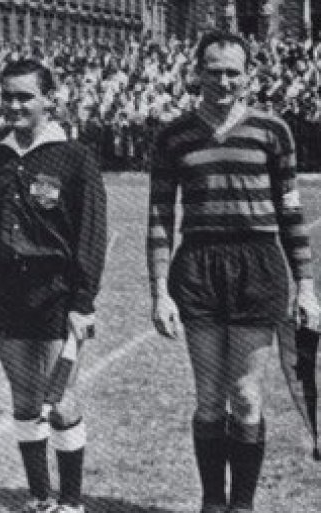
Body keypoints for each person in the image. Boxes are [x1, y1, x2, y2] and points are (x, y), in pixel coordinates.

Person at [147, 31, 321, 513]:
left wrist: (307, 286)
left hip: (258, 266)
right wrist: (159, 290)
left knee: (245, 396)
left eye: (232, 72)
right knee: (208, 397)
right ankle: (211, 503)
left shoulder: (273, 130)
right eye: (213, 71)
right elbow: (159, 215)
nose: (222, 81)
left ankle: (241, 506)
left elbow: (291, 213)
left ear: (249, 75)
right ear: (196, 72)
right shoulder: (173, 135)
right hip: (198, 267)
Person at [0, 59, 107, 513]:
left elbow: (91, 235)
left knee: (60, 399)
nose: (15, 105)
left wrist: (82, 301)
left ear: (49, 99)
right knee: (24, 398)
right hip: (5, 292)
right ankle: (40, 498)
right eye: (7, 96)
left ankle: (71, 502)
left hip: (55, 293)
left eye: (25, 96)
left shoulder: (75, 157)